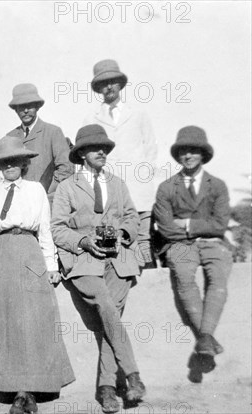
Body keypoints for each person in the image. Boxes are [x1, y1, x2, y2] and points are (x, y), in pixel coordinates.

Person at [0, 136, 75, 414]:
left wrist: (51, 266)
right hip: (0, 253)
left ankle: (29, 391)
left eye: (14, 160)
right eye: (4, 161)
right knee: (4, 323)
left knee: (32, 321)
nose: (9, 165)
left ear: (24, 163)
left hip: (29, 253)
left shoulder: (36, 191)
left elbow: (45, 230)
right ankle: (15, 392)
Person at [51, 125, 146, 413]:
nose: (102, 151)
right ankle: (132, 374)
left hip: (118, 260)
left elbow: (132, 216)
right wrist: (83, 240)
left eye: (105, 147)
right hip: (83, 262)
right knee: (106, 307)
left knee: (110, 319)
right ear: (81, 154)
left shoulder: (117, 184)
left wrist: (122, 233)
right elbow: (57, 229)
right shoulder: (67, 187)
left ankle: (106, 390)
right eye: (95, 148)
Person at [153, 126, 232, 382]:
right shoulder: (167, 187)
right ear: (177, 156)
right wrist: (193, 231)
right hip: (182, 247)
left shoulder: (217, 185)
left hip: (212, 244)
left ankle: (204, 337)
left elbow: (219, 224)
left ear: (203, 154)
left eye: (193, 151)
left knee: (218, 278)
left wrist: (185, 224)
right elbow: (165, 227)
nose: (187, 156)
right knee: (185, 278)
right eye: (183, 151)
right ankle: (206, 337)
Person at [84, 59, 158, 269]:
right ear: (98, 88)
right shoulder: (91, 118)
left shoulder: (139, 114)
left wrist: (141, 173)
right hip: (109, 191)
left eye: (113, 82)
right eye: (103, 83)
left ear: (120, 84)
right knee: (112, 240)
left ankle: (149, 288)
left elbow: (151, 149)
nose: (109, 87)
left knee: (142, 239)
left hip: (138, 190)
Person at [6, 83, 73, 208]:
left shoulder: (53, 132)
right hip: (18, 205)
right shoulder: (10, 137)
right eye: (21, 107)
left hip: (47, 203)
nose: (25, 111)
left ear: (37, 107)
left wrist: (47, 194)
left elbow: (65, 168)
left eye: (29, 106)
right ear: (15, 109)